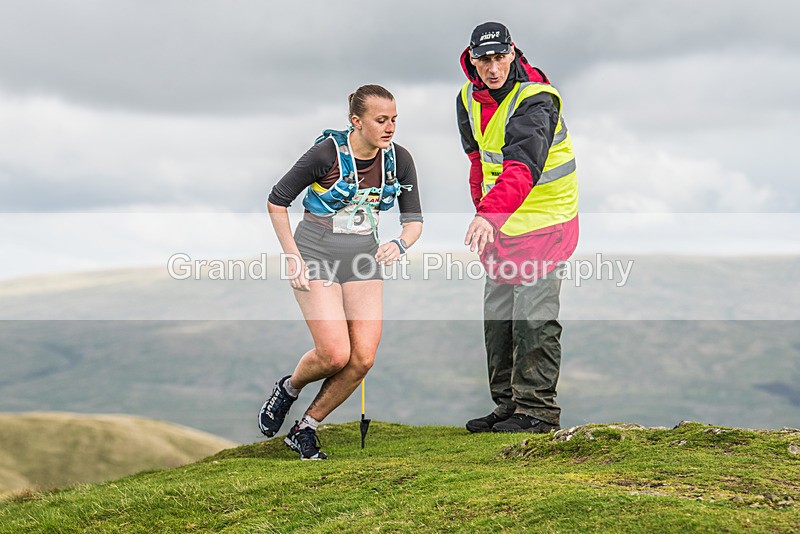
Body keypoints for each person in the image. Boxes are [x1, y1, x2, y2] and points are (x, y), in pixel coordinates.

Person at [259, 84, 423, 459]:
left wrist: (400, 243)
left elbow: (414, 221)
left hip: (363, 258)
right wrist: (292, 257)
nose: (390, 127)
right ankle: (288, 388)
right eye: (380, 120)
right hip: (315, 253)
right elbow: (276, 201)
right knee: (334, 354)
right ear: (356, 121)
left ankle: (305, 428)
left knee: (362, 358)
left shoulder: (399, 159)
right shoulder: (326, 154)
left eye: (394, 119)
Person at [457, 22, 579, 433]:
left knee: (532, 319)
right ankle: (509, 405)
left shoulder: (537, 99)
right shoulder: (466, 98)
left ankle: (538, 412)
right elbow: (478, 161)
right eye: (484, 60)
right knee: (498, 317)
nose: (493, 68)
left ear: (513, 53)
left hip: (546, 222)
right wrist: (484, 213)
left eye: (500, 58)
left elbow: (522, 166)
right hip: (501, 224)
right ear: (472, 59)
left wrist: (487, 215)